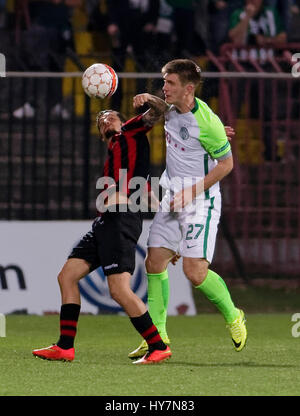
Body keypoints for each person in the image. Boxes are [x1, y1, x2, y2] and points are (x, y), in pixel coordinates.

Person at [32, 95, 173, 365]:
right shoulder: (115, 158)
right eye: (100, 120)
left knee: (119, 290)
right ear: (100, 135)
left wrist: (149, 98)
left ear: (122, 122)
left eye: (111, 115)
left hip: (120, 219)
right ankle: (65, 347)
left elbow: (161, 110)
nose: (105, 118)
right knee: (67, 276)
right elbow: (146, 191)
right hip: (104, 223)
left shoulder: (130, 132)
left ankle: (157, 345)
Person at [128, 59, 247, 360]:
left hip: (200, 201)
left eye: (170, 83)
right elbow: (162, 109)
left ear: (188, 88)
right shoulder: (172, 110)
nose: (164, 87)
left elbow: (227, 164)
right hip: (172, 197)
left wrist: (192, 191)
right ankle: (159, 339)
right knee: (154, 263)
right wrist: (148, 98)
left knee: (194, 272)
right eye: (163, 82)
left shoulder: (206, 122)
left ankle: (234, 316)